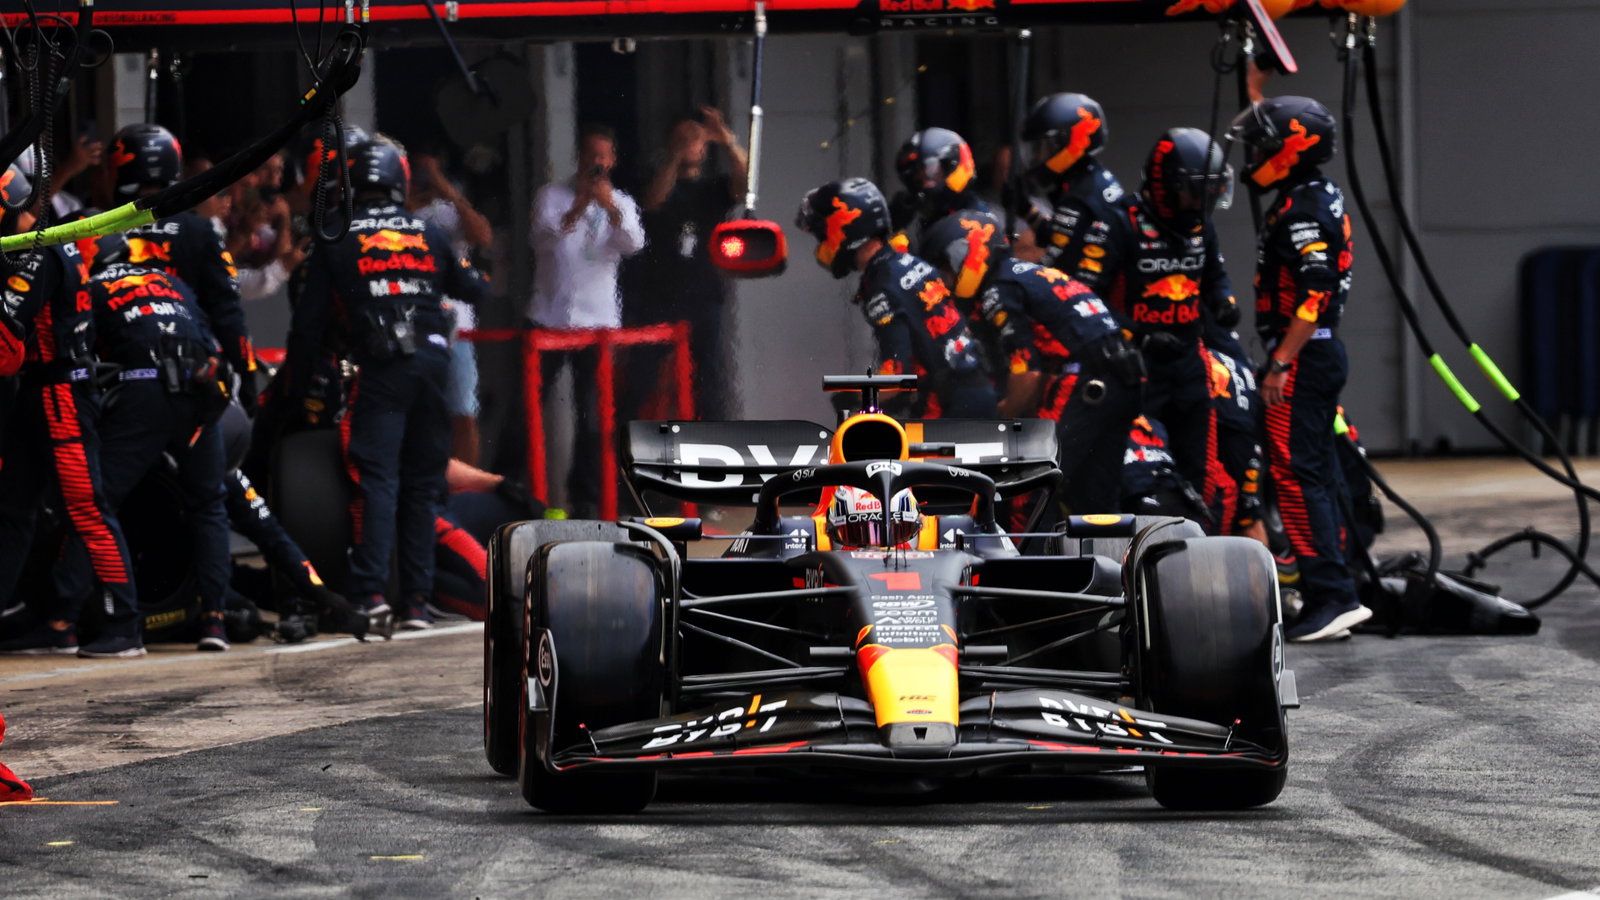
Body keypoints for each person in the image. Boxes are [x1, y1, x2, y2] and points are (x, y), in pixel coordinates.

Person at [289, 136, 489, 635]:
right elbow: (477, 289)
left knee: (376, 483)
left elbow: (308, 325)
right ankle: (418, 603)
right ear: (400, 183)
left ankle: (371, 595)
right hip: (433, 370)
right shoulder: (427, 233)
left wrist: (296, 385)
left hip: (380, 372)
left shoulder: (335, 232)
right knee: (422, 488)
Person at [50, 230, 234, 652]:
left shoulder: (92, 288)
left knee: (95, 503)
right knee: (208, 504)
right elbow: (211, 342)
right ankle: (215, 621)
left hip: (146, 391)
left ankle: (78, 623)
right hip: (203, 391)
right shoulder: (170, 282)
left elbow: (80, 352)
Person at [1230, 95, 1370, 642]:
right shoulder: (1314, 192)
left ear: (1292, 149)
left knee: (1294, 473)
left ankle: (1332, 596)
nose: (1257, 154)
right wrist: (1256, 80)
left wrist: (1280, 362)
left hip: (1303, 357)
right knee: (1317, 472)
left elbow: (1316, 293)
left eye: (1266, 144)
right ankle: (1338, 586)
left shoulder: (1303, 209)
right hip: (1313, 354)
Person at [0, 164, 140, 658]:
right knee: (12, 508)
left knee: (86, 505)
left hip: (60, 389)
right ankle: (51, 626)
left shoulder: (34, 252)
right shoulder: (38, 242)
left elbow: (4, 348)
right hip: (37, 394)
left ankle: (125, 624)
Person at [922, 209, 1143, 514]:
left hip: (1086, 382)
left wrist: (997, 421)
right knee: (1094, 499)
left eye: (945, 271)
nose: (944, 283)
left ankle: (1023, 559)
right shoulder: (1022, 273)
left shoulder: (998, 290)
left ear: (965, 255)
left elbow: (1027, 375)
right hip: (1124, 379)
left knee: (1031, 483)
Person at [794, 178, 995, 419]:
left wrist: (850, 396)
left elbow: (897, 376)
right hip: (977, 385)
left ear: (844, 228)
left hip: (950, 406)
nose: (821, 247)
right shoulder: (907, 261)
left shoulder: (881, 288)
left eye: (822, 236)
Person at [527, 124, 645, 516]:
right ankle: (515, 492)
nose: (596, 162)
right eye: (590, 154)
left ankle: (586, 501)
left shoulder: (622, 202)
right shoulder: (551, 196)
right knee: (526, 411)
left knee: (593, 415)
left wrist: (607, 206)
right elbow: (541, 240)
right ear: (579, 156)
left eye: (603, 156)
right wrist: (578, 205)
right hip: (549, 319)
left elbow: (634, 245)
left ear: (611, 161)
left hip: (598, 326)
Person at [110, 123, 262, 410]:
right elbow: (228, 314)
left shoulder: (92, 233)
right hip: (191, 375)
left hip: (117, 375)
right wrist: (247, 373)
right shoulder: (200, 231)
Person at [632, 107, 748, 422]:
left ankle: (716, 445)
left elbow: (745, 183)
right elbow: (653, 201)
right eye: (684, 138)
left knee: (708, 379)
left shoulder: (714, 188)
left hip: (703, 294)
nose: (692, 144)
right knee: (640, 378)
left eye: (697, 139)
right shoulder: (655, 178)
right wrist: (675, 154)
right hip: (660, 295)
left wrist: (726, 138)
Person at [409, 151, 493, 464]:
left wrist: (444, 188)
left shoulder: (450, 208)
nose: (424, 181)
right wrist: (410, 200)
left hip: (457, 324)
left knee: (463, 411)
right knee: (416, 413)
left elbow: (482, 236)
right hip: (413, 323)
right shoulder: (398, 212)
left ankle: (465, 493)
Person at [1011, 93, 1126, 271]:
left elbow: (1056, 265)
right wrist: (1026, 209)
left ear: (1067, 143)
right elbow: (1059, 236)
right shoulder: (1092, 178)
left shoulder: (1079, 198)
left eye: (1042, 147)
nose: (1036, 156)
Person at [889, 127, 989, 256]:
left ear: (952, 163)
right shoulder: (925, 221)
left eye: (930, 172)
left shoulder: (978, 221)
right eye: (917, 179)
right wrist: (895, 230)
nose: (924, 184)